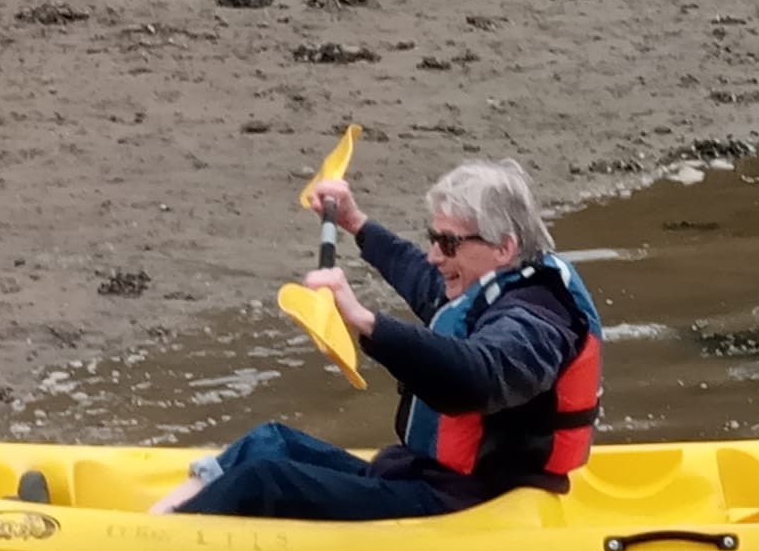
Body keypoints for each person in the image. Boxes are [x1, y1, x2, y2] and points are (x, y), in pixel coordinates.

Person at [148, 158, 603, 520]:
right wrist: (355, 222)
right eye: (433, 238)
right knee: (272, 442)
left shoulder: (541, 318)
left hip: (470, 503)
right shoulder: (490, 282)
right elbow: (422, 279)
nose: (433, 254)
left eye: (447, 243)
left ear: (503, 247)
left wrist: (364, 320)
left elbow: (478, 377)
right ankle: (157, 529)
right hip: (434, 480)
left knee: (265, 482)